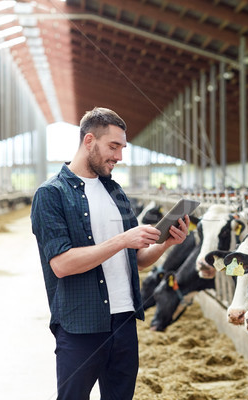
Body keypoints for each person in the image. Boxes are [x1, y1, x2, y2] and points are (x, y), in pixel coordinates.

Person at [30, 107, 189, 400]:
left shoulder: (116, 192)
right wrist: (121, 240)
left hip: (125, 320)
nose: (119, 156)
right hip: (81, 326)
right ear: (89, 141)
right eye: (113, 147)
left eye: (122, 148)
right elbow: (62, 265)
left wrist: (166, 244)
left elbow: (136, 261)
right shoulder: (51, 194)